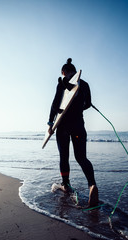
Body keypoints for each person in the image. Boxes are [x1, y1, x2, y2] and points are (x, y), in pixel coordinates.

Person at [47, 58, 99, 207]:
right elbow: (88, 104)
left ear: (63, 72)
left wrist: (50, 123)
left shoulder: (61, 84)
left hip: (63, 126)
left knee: (64, 156)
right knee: (81, 157)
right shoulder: (84, 84)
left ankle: (66, 184)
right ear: (75, 72)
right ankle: (92, 185)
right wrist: (79, 108)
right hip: (78, 126)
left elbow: (55, 105)